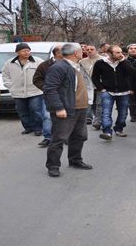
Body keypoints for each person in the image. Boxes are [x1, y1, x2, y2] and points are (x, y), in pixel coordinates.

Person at [43, 43, 93, 177]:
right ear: (75, 53)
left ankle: (75, 160)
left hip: (81, 108)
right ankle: (53, 166)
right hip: (67, 108)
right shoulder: (59, 67)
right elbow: (50, 89)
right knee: (59, 138)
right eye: (80, 51)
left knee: (80, 136)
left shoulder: (76, 66)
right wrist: (58, 107)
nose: (83, 52)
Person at [91, 45, 136, 140]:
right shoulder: (100, 63)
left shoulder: (125, 62)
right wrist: (101, 89)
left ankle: (119, 129)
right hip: (108, 92)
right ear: (109, 53)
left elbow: (132, 73)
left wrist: (123, 61)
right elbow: (95, 77)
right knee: (106, 112)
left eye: (121, 52)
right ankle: (107, 132)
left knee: (123, 113)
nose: (120, 54)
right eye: (117, 53)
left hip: (123, 92)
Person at [2, 43, 45, 138]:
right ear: (17, 52)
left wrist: (41, 84)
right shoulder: (9, 63)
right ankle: (28, 127)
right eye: (24, 51)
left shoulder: (38, 61)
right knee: (22, 111)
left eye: (28, 50)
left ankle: (38, 128)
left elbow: (46, 73)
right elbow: (5, 75)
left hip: (35, 91)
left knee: (35, 109)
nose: (27, 52)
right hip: (18, 92)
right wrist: (10, 85)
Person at [32, 44, 62, 147]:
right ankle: (48, 137)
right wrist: (46, 88)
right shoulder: (44, 65)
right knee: (47, 116)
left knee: (67, 116)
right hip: (49, 95)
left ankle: (64, 136)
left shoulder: (69, 63)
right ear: (57, 53)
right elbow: (36, 79)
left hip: (67, 95)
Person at [79, 44, 102, 126]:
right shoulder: (82, 61)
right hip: (88, 85)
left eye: (92, 49)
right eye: (87, 49)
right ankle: (89, 118)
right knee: (90, 102)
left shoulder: (102, 60)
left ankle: (98, 121)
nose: (89, 51)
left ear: (96, 50)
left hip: (100, 85)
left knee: (99, 103)